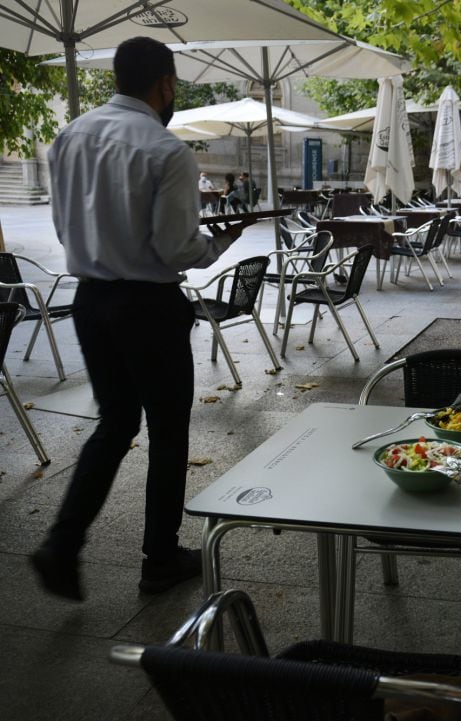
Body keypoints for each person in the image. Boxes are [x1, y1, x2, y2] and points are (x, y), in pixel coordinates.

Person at [31, 36, 253, 602]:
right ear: (166, 83)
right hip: (149, 309)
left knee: (116, 422)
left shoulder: (70, 136)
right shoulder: (165, 150)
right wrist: (216, 244)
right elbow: (177, 248)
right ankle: (159, 557)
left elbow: (63, 227)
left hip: (90, 301)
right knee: (169, 427)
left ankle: (62, 544)